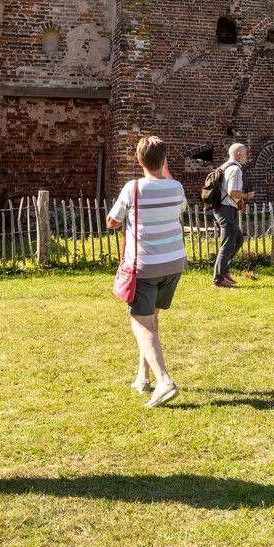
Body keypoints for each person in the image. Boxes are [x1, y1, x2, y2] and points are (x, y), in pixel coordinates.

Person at [107, 136, 187, 407]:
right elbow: (181, 208)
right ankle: (143, 376)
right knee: (151, 319)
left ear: (139, 160)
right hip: (173, 263)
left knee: (140, 323)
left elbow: (112, 221)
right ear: (164, 160)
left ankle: (164, 381)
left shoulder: (133, 188)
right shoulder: (176, 187)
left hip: (146, 266)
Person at [212, 143, 252, 289]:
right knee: (227, 244)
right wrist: (247, 196)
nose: (246, 156)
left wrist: (238, 202)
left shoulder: (224, 167)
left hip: (224, 208)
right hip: (226, 210)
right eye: (245, 153)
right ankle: (218, 279)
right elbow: (232, 192)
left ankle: (224, 270)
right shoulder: (235, 169)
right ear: (239, 154)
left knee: (238, 239)